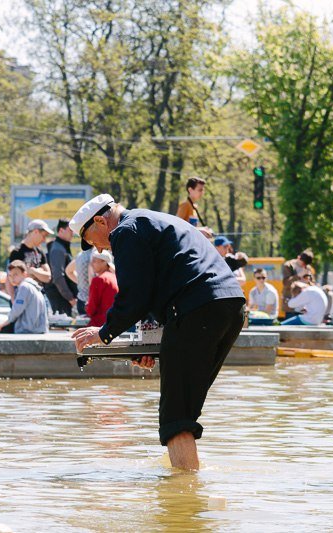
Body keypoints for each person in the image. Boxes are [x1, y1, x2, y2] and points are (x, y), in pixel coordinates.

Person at [70, 194, 245, 470]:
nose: (100, 250)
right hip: (230, 307)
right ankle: (190, 480)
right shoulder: (152, 220)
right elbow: (158, 288)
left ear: (101, 221)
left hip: (197, 309)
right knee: (185, 408)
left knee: (175, 418)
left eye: (94, 242)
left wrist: (103, 334)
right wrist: (152, 347)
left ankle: (184, 492)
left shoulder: (124, 231)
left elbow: (133, 298)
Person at [0, 260, 48, 334]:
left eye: (15, 274)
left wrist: (5, 323)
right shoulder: (33, 286)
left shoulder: (24, 287)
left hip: (27, 330)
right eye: (10, 275)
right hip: (38, 329)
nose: (12, 278)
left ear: (24, 274)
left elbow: (17, 310)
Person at [7, 219, 53, 298]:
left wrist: (33, 271)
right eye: (43, 236)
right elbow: (11, 279)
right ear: (36, 232)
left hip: (39, 296)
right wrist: (13, 299)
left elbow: (48, 277)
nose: (44, 240)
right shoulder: (17, 252)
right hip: (23, 297)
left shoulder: (40, 252)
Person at [45, 218, 78, 316]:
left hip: (63, 299)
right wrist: (70, 298)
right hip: (61, 300)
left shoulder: (61, 247)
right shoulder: (57, 249)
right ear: (61, 230)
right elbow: (58, 277)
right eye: (70, 230)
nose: (72, 233)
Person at [85, 250, 118, 327]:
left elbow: (91, 309)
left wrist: (87, 307)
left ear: (104, 262)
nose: (91, 264)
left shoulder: (99, 279)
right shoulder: (115, 277)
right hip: (114, 322)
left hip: (100, 324)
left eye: (94, 261)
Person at [282, 249, 315, 318]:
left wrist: (308, 281)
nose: (303, 266)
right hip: (291, 305)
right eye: (303, 263)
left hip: (304, 305)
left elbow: (313, 285)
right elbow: (286, 283)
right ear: (298, 257)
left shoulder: (308, 268)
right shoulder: (288, 265)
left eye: (305, 264)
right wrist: (298, 275)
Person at [67, 249, 93, 315]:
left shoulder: (80, 255)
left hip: (81, 300)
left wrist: (80, 282)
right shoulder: (98, 255)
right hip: (93, 301)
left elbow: (68, 271)